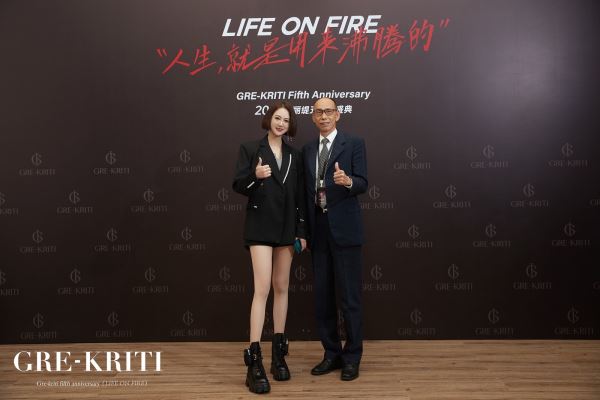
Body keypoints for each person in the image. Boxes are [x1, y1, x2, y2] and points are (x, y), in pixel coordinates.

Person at [232, 101, 306, 394]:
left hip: (287, 228)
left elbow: (300, 196)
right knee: (262, 288)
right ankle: (254, 361)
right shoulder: (251, 148)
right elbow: (238, 185)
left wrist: (301, 231)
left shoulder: (295, 155)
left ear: (290, 125)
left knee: (282, 287)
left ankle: (279, 355)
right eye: (277, 118)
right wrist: (256, 177)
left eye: (286, 120)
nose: (281, 123)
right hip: (260, 226)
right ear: (268, 119)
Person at [302, 97, 368, 381]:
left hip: (346, 230)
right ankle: (331, 353)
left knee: (350, 298)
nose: (324, 116)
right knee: (323, 298)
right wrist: (302, 231)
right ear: (313, 117)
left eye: (329, 111)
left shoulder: (354, 143)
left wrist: (348, 181)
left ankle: (352, 357)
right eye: (319, 112)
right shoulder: (307, 150)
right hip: (318, 229)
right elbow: (304, 192)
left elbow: (363, 182)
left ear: (338, 115)